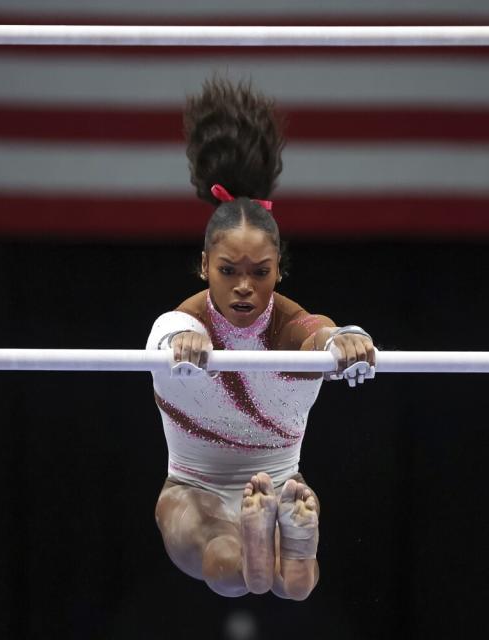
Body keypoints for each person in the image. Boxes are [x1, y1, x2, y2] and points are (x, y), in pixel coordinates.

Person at [147, 77, 376, 600]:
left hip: (276, 480)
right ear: (205, 266)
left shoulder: (288, 324)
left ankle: (277, 540)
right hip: (196, 485)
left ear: (280, 270)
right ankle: (280, 540)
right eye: (229, 271)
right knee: (215, 553)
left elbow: (317, 332)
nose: (245, 287)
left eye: (261, 271)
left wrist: (347, 339)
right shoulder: (188, 320)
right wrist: (181, 339)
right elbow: (169, 329)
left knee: (276, 581)